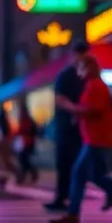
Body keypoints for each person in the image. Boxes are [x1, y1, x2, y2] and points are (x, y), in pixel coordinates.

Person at [49, 54, 112, 223]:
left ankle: (74, 214)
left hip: (97, 139)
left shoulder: (96, 87)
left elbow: (92, 110)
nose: (78, 71)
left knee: (79, 173)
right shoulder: (91, 86)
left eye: (81, 67)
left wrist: (68, 106)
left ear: (89, 68)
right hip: (94, 138)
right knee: (96, 176)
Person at [44, 42, 88, 212]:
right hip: (68, 127)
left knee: (77, 166)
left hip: (77, 129)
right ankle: (65, 197)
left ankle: (67, 197)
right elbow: (60, 99)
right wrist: (77, 110)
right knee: (67, 165)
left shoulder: (82, 76)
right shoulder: (68, 75)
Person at [15, 106, 40, 184]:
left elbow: (29, 131)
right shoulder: (25, 120)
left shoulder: (27, 121)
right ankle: (30, 174)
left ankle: (26, 176)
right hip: (25, 143)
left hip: (27, 143)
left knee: (24, 160)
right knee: (24, 160)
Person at [0, 108, 19, 183]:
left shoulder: (0, 126)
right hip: (4, 143)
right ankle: (4, 178)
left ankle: (3, 178)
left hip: (2, 143)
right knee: (5, 161)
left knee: (3, 162)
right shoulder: (6, 124)